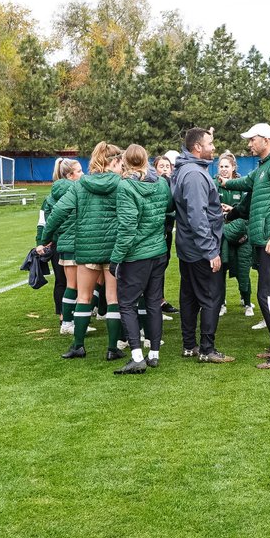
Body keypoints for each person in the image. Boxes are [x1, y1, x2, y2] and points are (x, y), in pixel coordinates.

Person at [220, 122, 270, 369]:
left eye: (252, 139)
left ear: (266, 140)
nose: (249, 144)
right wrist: (224, 183)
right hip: (264, 240)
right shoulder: (266, 165)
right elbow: (246, 183)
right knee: (266, 294)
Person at [39, 141, 124, 361]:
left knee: (83, 297)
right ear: (113, 161)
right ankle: (112, 348)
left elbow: (58, 212)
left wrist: (45, 239)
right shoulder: (121, 183)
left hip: (86, 249)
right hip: (114, 249)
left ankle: (78, 345)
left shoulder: (80, 185)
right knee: (113, 298)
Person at [110, 144, 173, 374]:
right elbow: (168, 209)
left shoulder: (126, 186)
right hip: (158, 250)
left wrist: (116, 259)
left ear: (126, 161)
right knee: (154, 302)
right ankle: (154, 353)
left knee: (127, 304)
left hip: (137, 255)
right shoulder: (161, 183)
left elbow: (127, 227)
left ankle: (137, 355)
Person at [171, 128, 232, 364]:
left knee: (188, 297)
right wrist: (210, 250)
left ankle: (189, 346)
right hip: (198, 248)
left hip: (188, 246)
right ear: (198, 148)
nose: (213, 147)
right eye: (210, 143)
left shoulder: (185, 169)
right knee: (210, 297)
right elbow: (198, 215)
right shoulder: (195, 174)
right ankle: (207, 349)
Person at [37, 158, 83, 334]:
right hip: (68, 242)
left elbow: (42, 223)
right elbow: (44, 222)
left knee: (62, 282)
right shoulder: (77, 193)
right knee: (72, 283)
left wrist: (41, 242)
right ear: (70, 175)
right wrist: (40, 241)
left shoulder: (49, 196)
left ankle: (64, 318)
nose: (82, 174)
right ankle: (70, 318)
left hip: (57, 243)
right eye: (79, 171)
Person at [215, 150, 253, 318]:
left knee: (243, 270)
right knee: (220, 269)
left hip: (242, 234)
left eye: (226, 166)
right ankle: (221, 303)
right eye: (221, 166)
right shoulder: (213, 185)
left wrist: (233, 211)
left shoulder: (242, 185)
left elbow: (248, 210)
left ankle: (247, 302)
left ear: (233, 168)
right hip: (222, 234)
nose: (223, 169)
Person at [154, 153, 178, 317]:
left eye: (167, 166)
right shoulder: (153, 184)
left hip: (167, 232)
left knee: (162, 266)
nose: (164, 169)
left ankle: (160, 299)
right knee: (154, 268)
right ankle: (155, 302)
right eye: (161, 166)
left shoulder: (172, 184)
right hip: (156, 232)